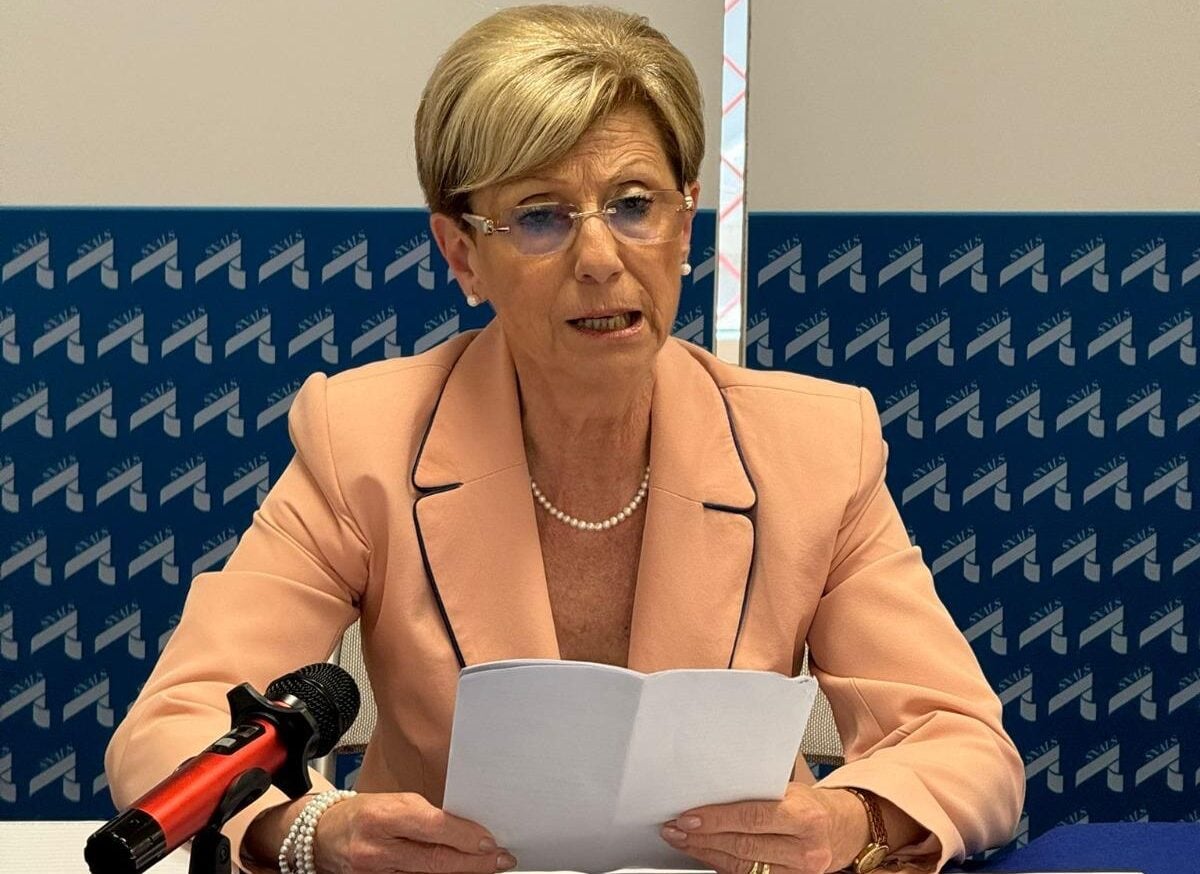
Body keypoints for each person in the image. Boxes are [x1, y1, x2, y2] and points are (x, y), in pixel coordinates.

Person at [105, 5, 1024, 873]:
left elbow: (965, 745)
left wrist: (852, 822)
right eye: (541, 216)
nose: (599, 258)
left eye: (634, 204)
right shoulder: (365, 440)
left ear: (684, 224)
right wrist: (312, 832)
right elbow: (176, 728)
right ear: (462, 254)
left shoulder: (814, 445)